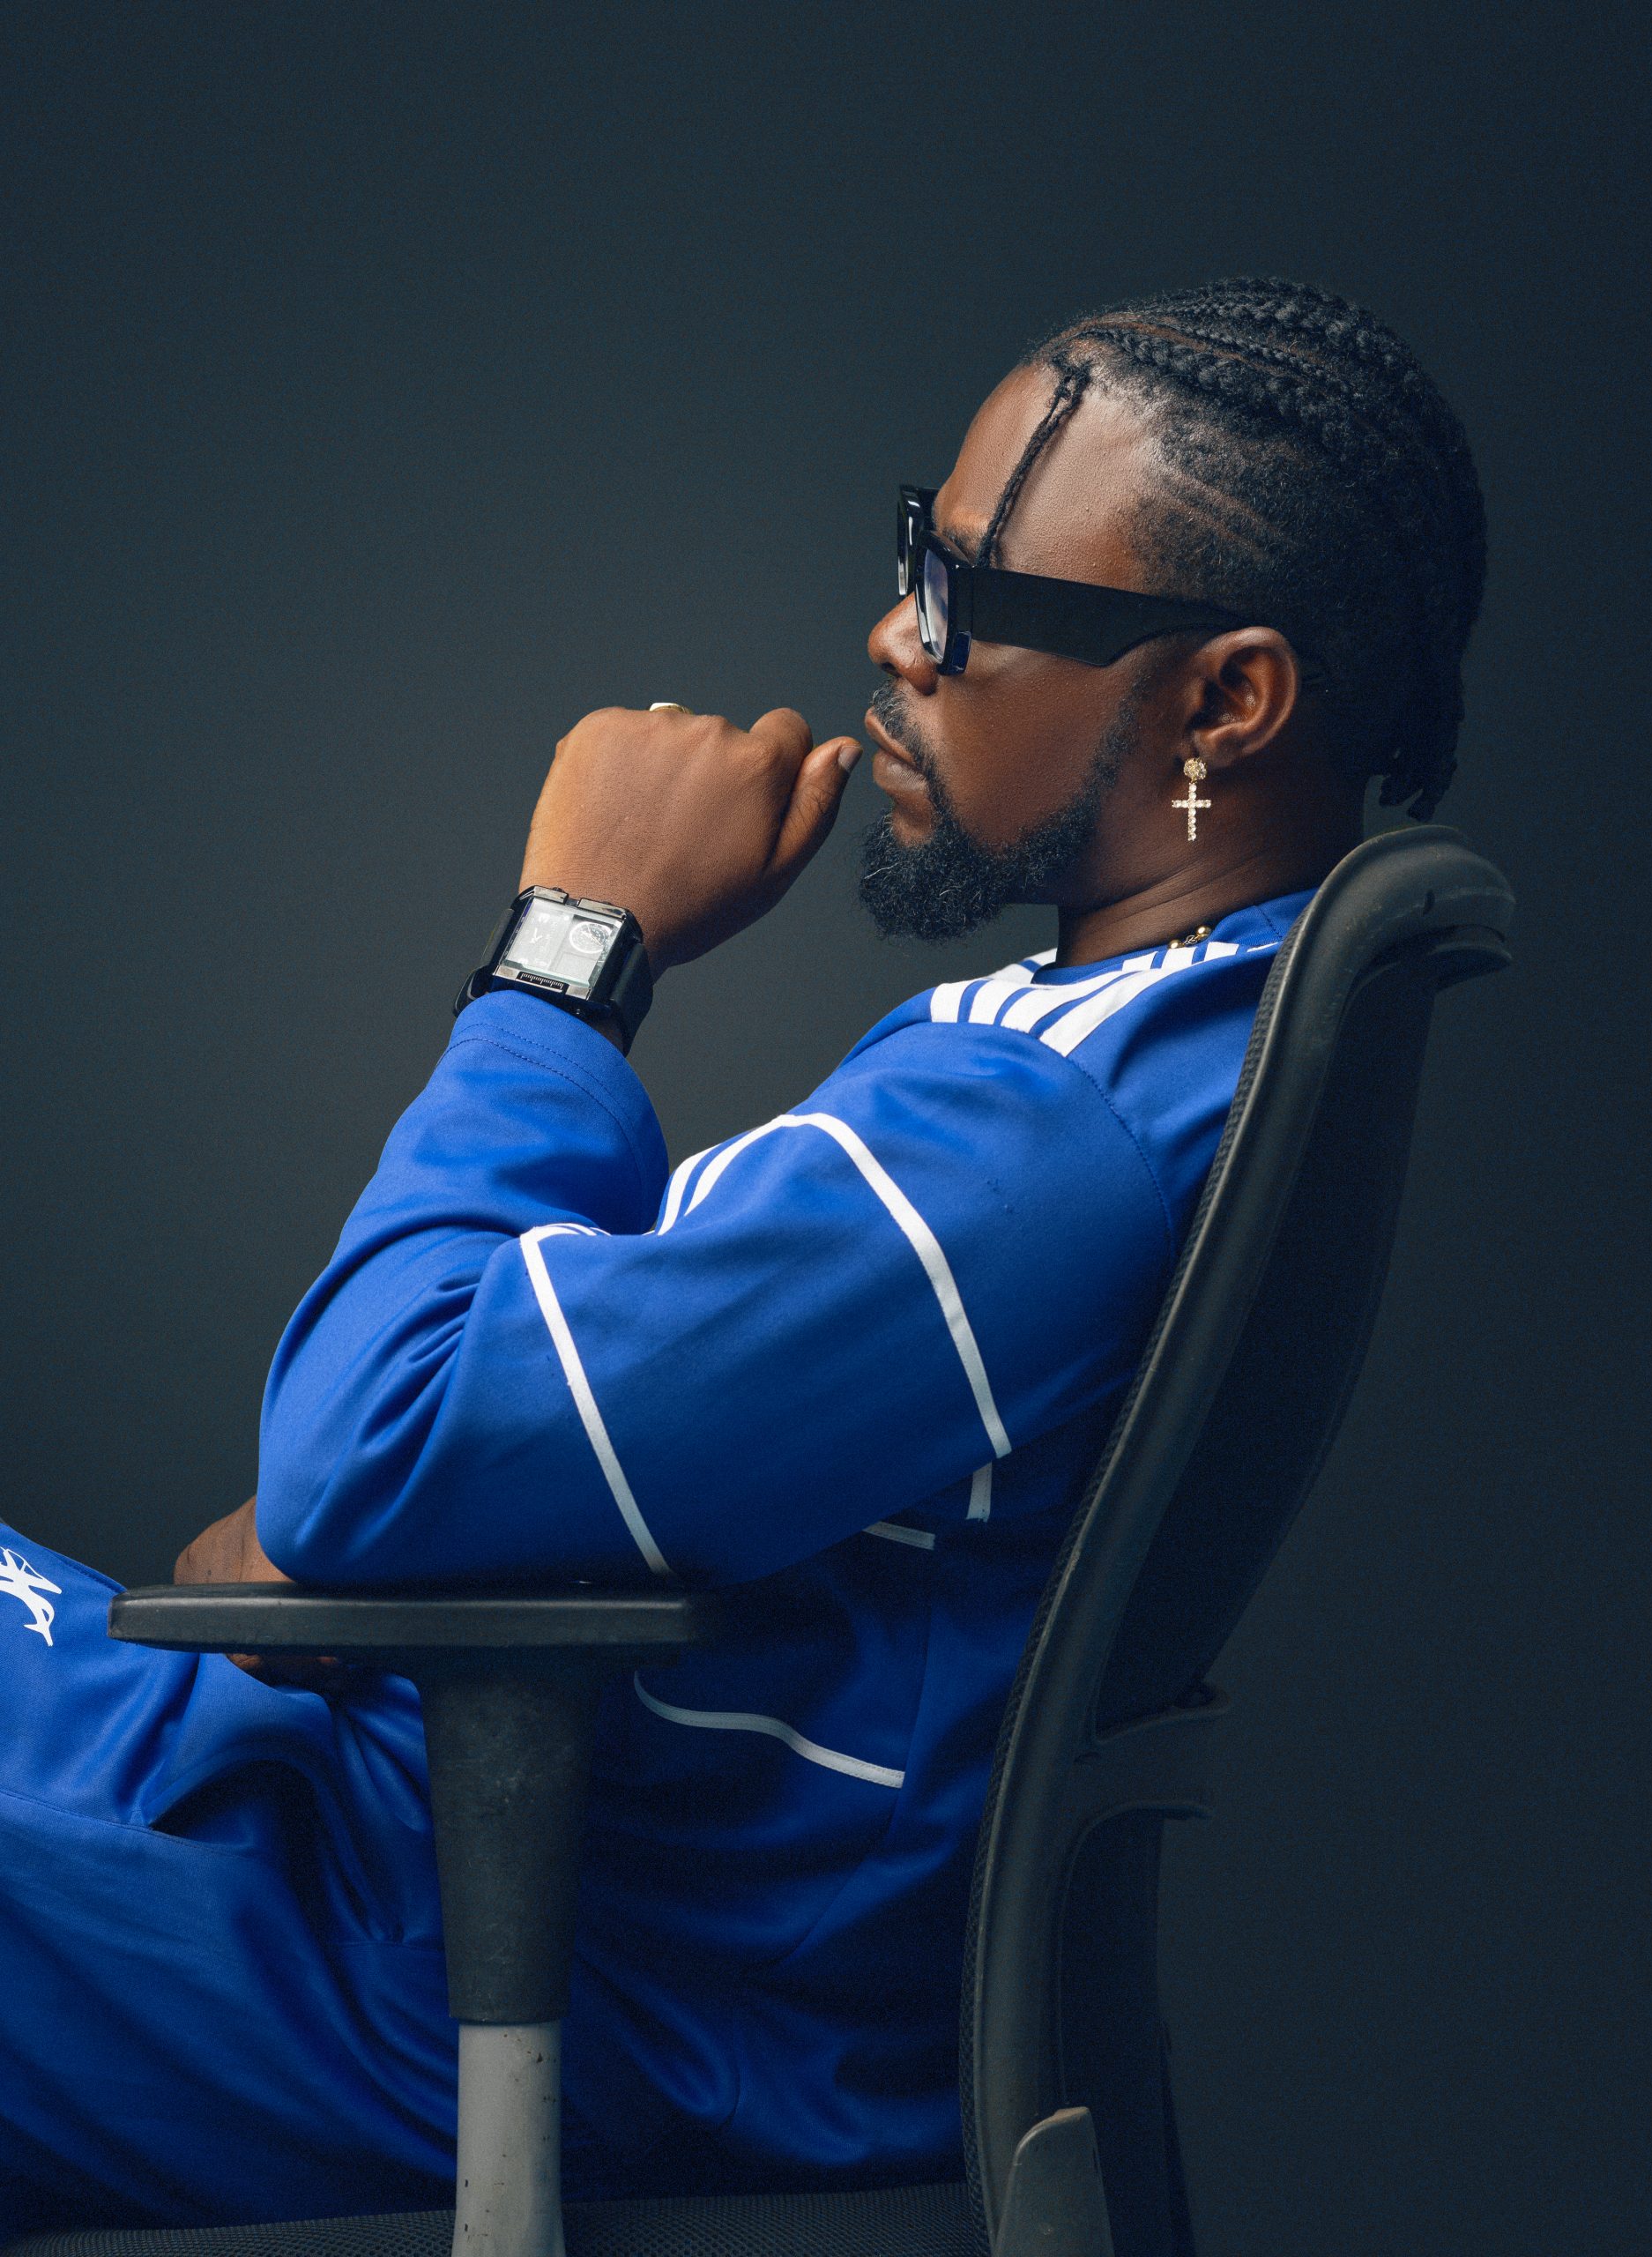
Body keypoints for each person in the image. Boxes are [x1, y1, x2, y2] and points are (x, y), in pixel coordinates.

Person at [0, 279, 1485, 2234]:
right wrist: (378, 1518)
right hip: (385, 1828)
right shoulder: (1146, 1050)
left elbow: (366, 1453)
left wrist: (571, 945)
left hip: (474, 1955)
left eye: (965, 596)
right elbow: (411, 1469)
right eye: (917, 552)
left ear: (1225, 702)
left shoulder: (1036, 1145)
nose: (896, 635)